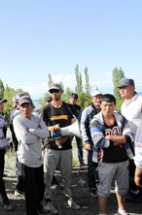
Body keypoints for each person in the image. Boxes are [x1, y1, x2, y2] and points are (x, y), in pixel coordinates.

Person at [91, 94, 134, 215]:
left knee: (122, 187)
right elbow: (99, 142)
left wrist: (110, 137)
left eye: (110, 105)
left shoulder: (120, 118)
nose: (108, 108)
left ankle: (121, 210)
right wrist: (120, 139)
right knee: (104, 189)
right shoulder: (96, 121)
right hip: (105, 161)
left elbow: (129, 137)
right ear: (100, 105)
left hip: (123, 159)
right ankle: (102, 213)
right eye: (105, 105)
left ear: (114, 105)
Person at [42, 83, 81, 214]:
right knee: (47, 176)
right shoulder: (46, 109)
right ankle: (47, 200)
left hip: (66, 148)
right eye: (52, 91)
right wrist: (52, 134)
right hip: (51, 147)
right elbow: (42, 128)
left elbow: (76, 126)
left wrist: (65, 138)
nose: (54, 93)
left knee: (67, 175)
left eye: (56, 91)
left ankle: (69, 198)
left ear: (62, 91)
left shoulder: (69, 108)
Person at [13, 96, 49, 215]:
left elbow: (46, 133)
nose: (25, 108)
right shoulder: (18, 120)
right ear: (19, 107)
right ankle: (32, 212)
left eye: (27, 105)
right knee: (31, 192)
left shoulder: (37, 118)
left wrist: (32, 131)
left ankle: (38, 208)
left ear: (32, 106)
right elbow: (24, 139)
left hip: (38, 160)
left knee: (40, 189)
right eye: (22, 106)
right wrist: (39, 132)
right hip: (26, 161)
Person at [118, 78, 142, 198]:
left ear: (133, 88)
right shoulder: (123, 105)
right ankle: (135, 191)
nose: (121, 90)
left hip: (140, 143)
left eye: (124, 87)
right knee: (132, 168)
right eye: (120, 88)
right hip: (129, 143)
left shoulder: (140, 101)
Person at [80, 90, 102, 197]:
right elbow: (83, 127)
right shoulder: (87, 111)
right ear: (92, 99)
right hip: (92, 144)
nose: (98, 99)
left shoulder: (105, 108)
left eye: (99, 97)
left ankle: (100, 184)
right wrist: (87, 141)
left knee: (102, 165)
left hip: (103, 143)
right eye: (96, 97)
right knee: (92, 166)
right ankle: (92, 187)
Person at [69, 93, 85, 166]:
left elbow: (81, 118)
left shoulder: (78, 108)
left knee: (80, 146)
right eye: (72, 99)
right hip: (69, 130)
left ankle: (81, 161)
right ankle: (69, 162)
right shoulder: (66, 107)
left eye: (75, 99)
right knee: (68, 147)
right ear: (70, 99)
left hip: (78, 129)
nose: (73, 101)